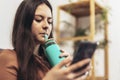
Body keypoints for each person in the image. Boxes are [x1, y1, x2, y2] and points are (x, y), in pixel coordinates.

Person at [0, 0, 91, 80]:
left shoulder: (48, 61)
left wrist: (75, 72)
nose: (46, 26)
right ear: (24, 23)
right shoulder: (8, 58)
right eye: (39, 19)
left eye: (50, 21)